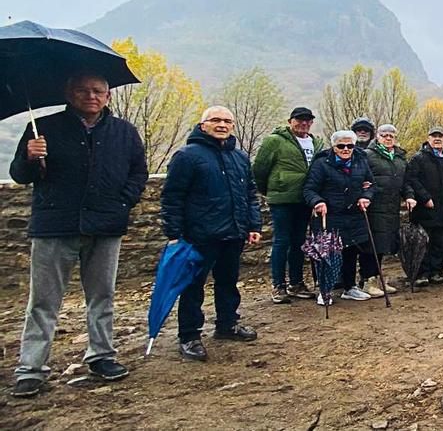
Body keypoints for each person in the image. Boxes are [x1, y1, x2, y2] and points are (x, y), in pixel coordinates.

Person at [9, 73, 148, 397]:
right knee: (43, 302)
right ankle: (31, 369)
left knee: (102, 296)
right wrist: (29, 157)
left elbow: (138, 171)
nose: (91, 96)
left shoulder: (124, 132)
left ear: (108, 96)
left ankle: (101, 356)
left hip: (105, 226)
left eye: (98, 91)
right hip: (55, 226)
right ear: (69, 93)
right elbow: (20, 176)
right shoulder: (42, 129)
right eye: (83, 91)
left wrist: (122, 203)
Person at [161, 106, 261, 362]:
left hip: (233, 232)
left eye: (227, 121)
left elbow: (250, 194)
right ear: (202, 124)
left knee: (228, 282)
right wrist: (174, 232)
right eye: (215, 120)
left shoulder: (240, 157)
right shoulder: (187, 156)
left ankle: (227, 324)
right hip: (199, 234)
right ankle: (189, 335)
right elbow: (173, 197)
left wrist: (253, 225)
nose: (222, 125)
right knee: (192, 286)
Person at [253, 106, 323, 305]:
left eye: (308, 120)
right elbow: (259, 169)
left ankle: (296, 283)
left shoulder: (316, 143)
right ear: (290, 121)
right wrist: (272, 189)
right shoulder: (275, 141)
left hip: (305, 200)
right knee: (281, 242)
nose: (304, 123)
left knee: (299, 243)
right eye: (299, 119)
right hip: (283, 200)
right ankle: (278, 285)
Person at [303, 130, 376, 303]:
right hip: (329, 215)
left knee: (351, 251)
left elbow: (371, 184)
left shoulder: (360, 161)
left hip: (353, 214)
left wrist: (366, 196)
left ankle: (349, 287)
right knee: (326, 253)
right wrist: (317, 201)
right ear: (334, 147)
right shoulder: (322, 163)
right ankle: (325, 289)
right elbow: (309, 189)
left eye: (350, 145)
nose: (346, 149)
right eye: (341, 146)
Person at [406, 127, 443, 286]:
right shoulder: (419, 158)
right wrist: (424, 197)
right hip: (425, 207)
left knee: (439, 242)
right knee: (423, 242)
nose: (437, 139)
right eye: (434, 136)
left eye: (440, 136)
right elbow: (412, 179)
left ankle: (436, 272)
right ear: (428, 138)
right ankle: (422, 274)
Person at [363, 124, 417, 297]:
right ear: (377, 137)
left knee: (384, 244)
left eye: (391, 136)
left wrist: (409, 195)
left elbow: (405, 181)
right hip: (373, 206)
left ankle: (378, 278)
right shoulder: (368, 156)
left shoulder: (400, 158)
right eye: (384, 135)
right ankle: (367, 280)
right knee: (371, 245)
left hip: (391, 207)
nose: (388, 138)